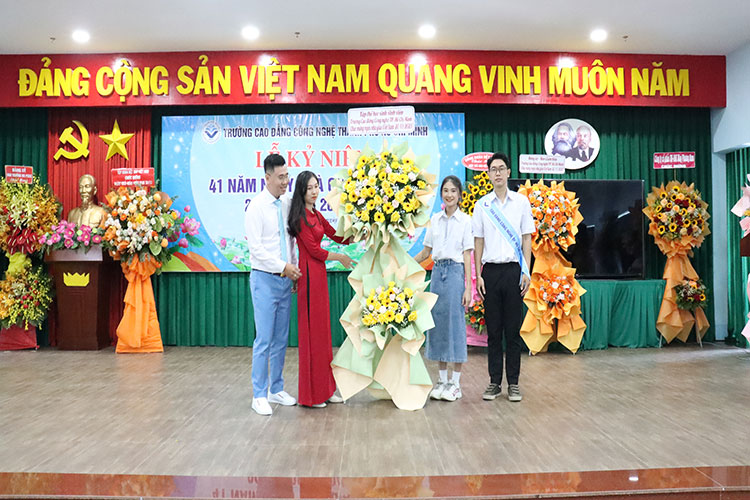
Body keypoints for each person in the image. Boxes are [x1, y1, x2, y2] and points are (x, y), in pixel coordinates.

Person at [287, 171, 353, 408]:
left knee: (323, 335)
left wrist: (361, 229)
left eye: (316, 186)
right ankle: (312, 395)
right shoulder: (300, 218)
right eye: (309, 188)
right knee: (312, 336)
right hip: (308, 276)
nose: (314, 191)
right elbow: (314, 251)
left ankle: (326, 389)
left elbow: (336, 235)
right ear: (301, 191)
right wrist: (340, 257)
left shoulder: (316, 214)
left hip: (319, 276)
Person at [472, 152, 533, 403]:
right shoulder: (482, 205)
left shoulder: (521, 203)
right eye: (493, 169)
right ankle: (494, 382)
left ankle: (514, 384)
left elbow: (527, 238)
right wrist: (478, 275)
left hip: (513, 272)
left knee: (513, 331)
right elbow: (478, 241)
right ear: (488, 175)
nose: (497, 173)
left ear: (508, 172)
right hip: (491, 273)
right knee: (494, 331)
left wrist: (526, 271)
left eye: (501, 168)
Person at [245, 153, 302, 416]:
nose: (285, 181)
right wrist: (283, 267)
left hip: (285, 280)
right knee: (264, 339)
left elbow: (290, 240)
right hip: (264, 279)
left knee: (281, 339)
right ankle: (259, 394)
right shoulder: (256, 207)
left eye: (287, 176)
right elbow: (256, 250)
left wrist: (292, 269)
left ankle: (276, 389)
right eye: (280, 177)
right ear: (267, 177)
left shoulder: (287, 203)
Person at [413, 175, 473, 402]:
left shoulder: (466, 221)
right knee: (436, 326)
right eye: (445, 191)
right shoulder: (435, 220)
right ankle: (441, 380)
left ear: (459, 195)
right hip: (437, 273)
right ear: (441, 195)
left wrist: (468, 288)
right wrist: (405, 264)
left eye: (453, 191)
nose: (449, 195)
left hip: (456, 273)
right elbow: (426, 252)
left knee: (455, 327)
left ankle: (455, 383)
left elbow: (467, 256)